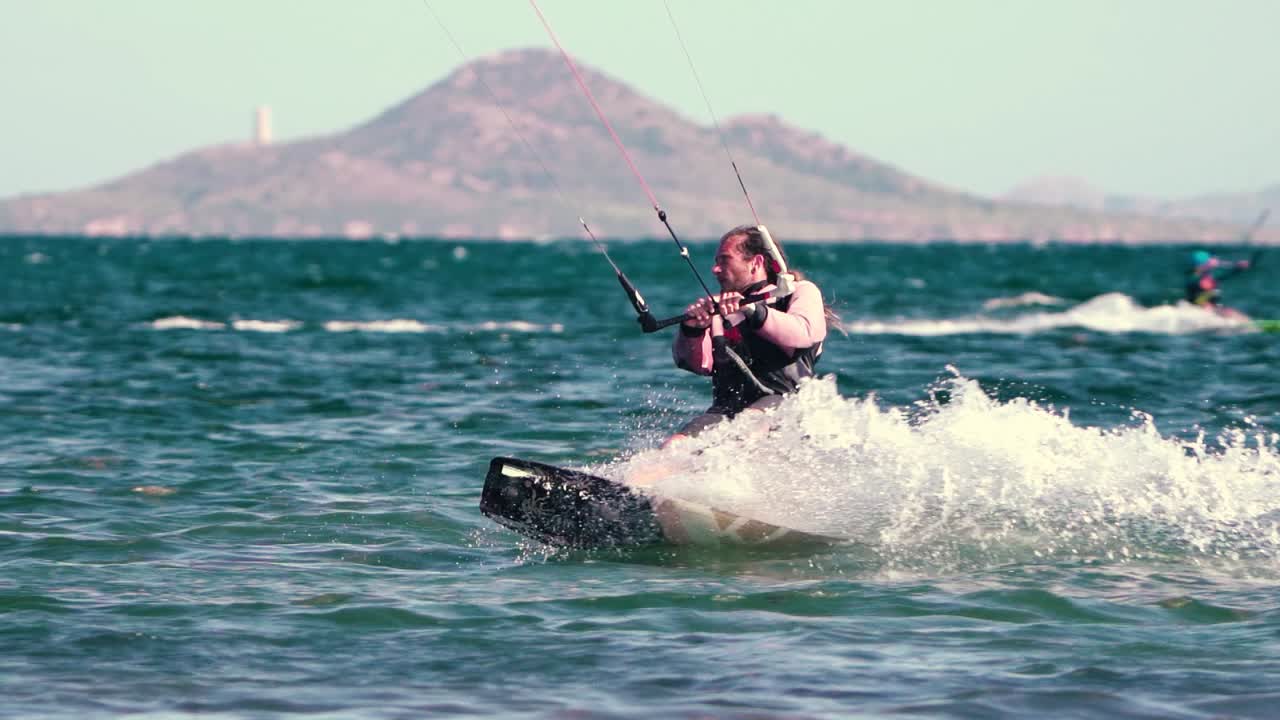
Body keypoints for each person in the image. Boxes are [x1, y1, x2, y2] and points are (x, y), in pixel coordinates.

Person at [665, 225, 830, 446]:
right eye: (716, 262)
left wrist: (752, 310)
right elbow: (698, 365)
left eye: (724, 260)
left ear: (756, 263)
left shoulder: (799, 292)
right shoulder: (720, 310)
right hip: (726, 409)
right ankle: (635, 480)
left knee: (746, 428)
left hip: (784, 405)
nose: (715, 269)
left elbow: (803, 334)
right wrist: (692, 329)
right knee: (674, 446)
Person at [1184, 249, 1251, 308]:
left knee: (1215, 295)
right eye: (1208, 262)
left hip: (1205, 304)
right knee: (1214, 292)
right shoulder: (1195, 277)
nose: (1210, 264)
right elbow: (1200, 287)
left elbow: (1225, 273)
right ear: (1201, 265)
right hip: (1199, 304)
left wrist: (1238, 267)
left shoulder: (1205, 274)